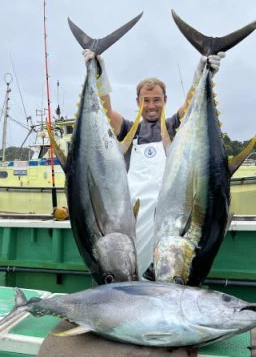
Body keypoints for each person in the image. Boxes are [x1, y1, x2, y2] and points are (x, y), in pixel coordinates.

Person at [83, 49, 225, 279]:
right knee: (131, 270)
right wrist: (100, 73)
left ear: (165, 101)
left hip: (167, 214)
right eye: (146, 100)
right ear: (137, 101)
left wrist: (202, 73)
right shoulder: (128, 128)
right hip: (133, 215)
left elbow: (192, 105)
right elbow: (105, 111)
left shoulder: (173, 127)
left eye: (156, 100)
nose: (151, 106)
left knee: (164, 272)